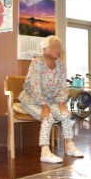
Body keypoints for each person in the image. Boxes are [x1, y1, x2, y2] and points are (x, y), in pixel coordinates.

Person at [19, 36, 83, 164]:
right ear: (45, 49)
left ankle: (70, 145)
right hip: (31, 99)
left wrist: (61, 103)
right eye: (55, 47)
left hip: (50, 100)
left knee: (65, 114)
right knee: (48, 117)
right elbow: (34, 87)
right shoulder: (37, 63)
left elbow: (63, 87)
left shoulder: (60, 65)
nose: (59, 50)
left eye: (60, 47)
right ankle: (45, 151)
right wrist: (44, 106)